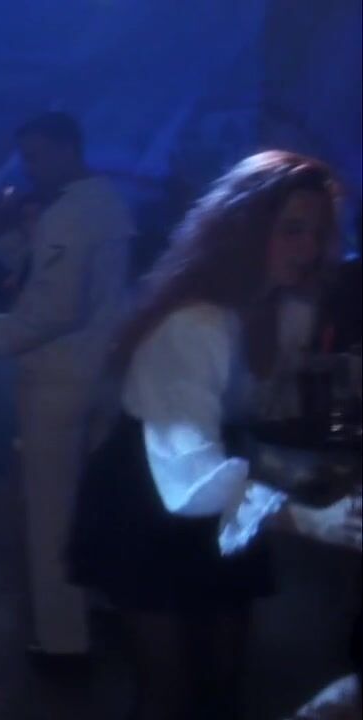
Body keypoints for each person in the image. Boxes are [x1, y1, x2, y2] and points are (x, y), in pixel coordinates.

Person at [68, 151, 363, 720]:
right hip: (146, 503)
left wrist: (307, 473)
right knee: (168, 689)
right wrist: (313, 518)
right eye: (291, 230)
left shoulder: (272, 309)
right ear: (244, 228)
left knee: (224, 679)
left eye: (317, 232)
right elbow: (190, 478)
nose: (307, 248)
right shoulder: (194, 322)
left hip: (221, 497)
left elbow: (252, 419)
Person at [0, 112, 135, 662]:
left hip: (60, 378)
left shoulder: (68, 213)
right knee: (97, 503)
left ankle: (62, 639)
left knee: (52, 512)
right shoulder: (107, 203)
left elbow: (57, 305)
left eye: (34, 156)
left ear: (65, 149)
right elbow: (50, 272)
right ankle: (105, 603)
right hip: (106, 371)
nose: (28, 168)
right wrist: (5, 237)